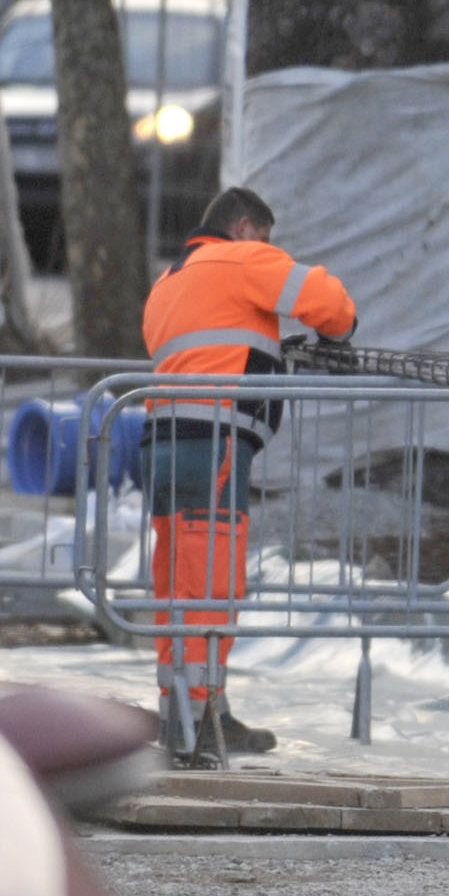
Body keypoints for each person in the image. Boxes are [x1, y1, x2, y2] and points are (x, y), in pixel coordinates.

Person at [140, 185, 357, 767]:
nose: (269, 250)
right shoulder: (238, 258)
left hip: (163, 442)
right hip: (212, 444)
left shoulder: (170, 280)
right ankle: (202, 722)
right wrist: (339, 337)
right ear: (243, 228)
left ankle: (181, 712)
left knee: (177, 589)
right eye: (265, 239)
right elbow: (328, 301)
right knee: (212, 585)